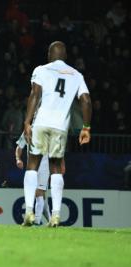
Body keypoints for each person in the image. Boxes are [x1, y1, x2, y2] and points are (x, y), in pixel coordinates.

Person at [23, 41, 92, 227]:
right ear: (66, 56)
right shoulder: (76, 75)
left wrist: (27, 121)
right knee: (55, 169)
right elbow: (85, 100)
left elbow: (35, 94)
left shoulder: (42, 70)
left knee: (32, 166)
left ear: (49, 54)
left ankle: (29, 211)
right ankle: (55, 215)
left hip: (41, 123)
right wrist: (86, 127)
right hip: (60, 127)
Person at [15, 133, 51, 225]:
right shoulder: (28, 131)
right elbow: (19, 147)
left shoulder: (48, 130)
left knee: (40, 193)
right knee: (40, 194)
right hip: (32, 168)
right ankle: (47, 220)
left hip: (44, 167)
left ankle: (37, 221)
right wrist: (18, 159)